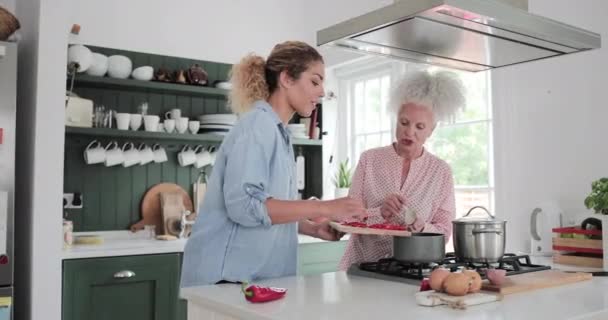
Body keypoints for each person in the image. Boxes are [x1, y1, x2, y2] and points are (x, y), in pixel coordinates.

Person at [180, 41, 366, 287]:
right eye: (315, 81)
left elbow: (267, 210)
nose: (322, 92)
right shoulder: (258, 127)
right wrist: (325, 208)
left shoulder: (280, 133)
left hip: (253, 279)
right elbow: (246, 207)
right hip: (226, 279)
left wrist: (310, 228)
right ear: (287, 78)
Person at [338, 70, 465, 270]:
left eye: (420, 126)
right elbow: (348, 217)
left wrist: (420, 225)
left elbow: (445, 232)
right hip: (360, 268)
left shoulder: (441, 172)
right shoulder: (369, 160)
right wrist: (379, 212)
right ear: (396, 119)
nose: (409, 132)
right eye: (404, 122)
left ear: (431, 130)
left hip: (412, 271)